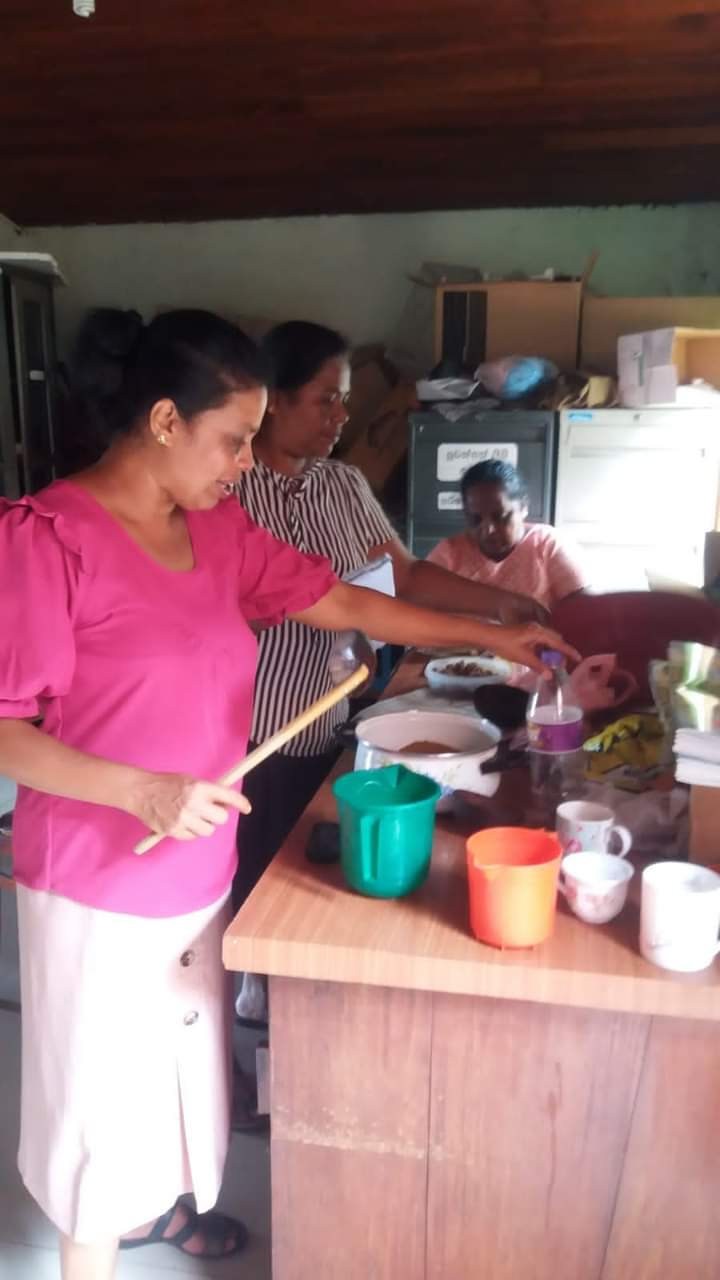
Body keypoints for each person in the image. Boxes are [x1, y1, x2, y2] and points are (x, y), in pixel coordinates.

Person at [0, 307, 575, 1280]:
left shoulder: (220, 527)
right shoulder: (45, 539)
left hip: (196, 863)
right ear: (166, 419)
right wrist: (137, 789)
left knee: (182, 1076)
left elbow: (348, 598)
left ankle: (169, 1212)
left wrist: (493, 635)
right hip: (95, 879)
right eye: (231, 438)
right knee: (100, 1112)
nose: (243, 462)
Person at [232, 321, 550, 911]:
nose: (341, 416)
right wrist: (495, 634)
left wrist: (502, 603)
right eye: (326, 399)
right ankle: (250, 997)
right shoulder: (231, 492)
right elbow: (324, 603)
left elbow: (403, 574)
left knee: (312, 882)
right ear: (274, 400)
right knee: (255, 888)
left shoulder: (343, 483)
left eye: (345, 401)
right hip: (251, 738)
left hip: (330, 720)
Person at [428, 459, 587, 611]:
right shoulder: (449, 554)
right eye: (475, 519)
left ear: (523, 506)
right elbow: (421, 608)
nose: (488, 530)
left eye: (501, 517)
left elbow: (585, 610)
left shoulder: (548, 546)